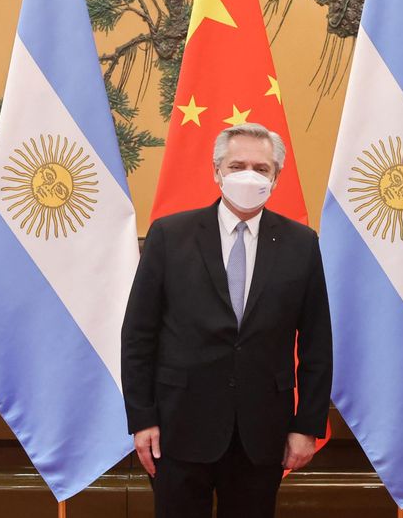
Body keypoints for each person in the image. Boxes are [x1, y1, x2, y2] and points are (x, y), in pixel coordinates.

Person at [122, 123, 332, 518]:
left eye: (261, 167)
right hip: (177, 427)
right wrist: (142, 418)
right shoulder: (170, 236)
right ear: (217, 171)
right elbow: (138, 335)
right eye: (237, 166)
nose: (248, 175)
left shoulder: (302, 244)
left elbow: (317, 343)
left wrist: (306, 427)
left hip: (262, 432)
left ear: (276, 177)